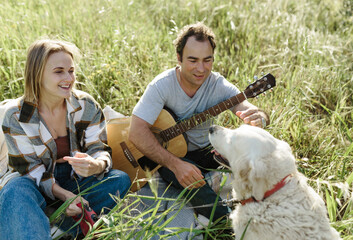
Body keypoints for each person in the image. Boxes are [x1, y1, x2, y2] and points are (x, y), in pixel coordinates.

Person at [129, 22, 270, 223]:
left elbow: (245, 107)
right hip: (173, 156)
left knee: (260, 161)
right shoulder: (161, 86)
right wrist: (175, 164)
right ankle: (228, 223)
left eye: (207, 60)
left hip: (206, 151)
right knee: (176, 170)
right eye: (193, 60)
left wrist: (260, 117)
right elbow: (136, 132)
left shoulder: (217, 84)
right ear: (178, 58)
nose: (201, 69)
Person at [0, 39, 131, 239]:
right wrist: (65, 196)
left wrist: (96, 165)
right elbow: (30, 170)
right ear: (38, 74)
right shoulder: (16, 115)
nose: (68, 78)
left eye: (71, 71)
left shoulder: (85, 104)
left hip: (74, 179)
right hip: (32, 182)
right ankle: (47, 223)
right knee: (15, 191)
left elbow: (99, 148)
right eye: (59, 71)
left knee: (120, 180)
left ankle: (49, 225)